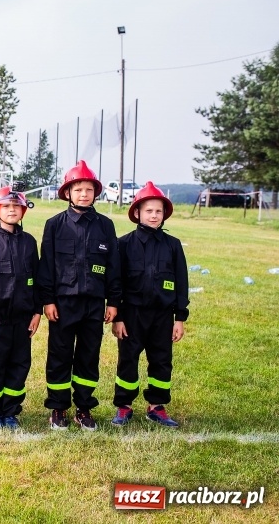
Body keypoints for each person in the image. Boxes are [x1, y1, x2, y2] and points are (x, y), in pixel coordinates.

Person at [37, 160, 121, 431]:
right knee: (59, 355)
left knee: (88, 355)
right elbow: (46, 266)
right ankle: (58, 407)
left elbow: (113, 267)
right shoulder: (54, 225)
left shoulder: (106, 226)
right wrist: (48, 300)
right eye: (78, 189)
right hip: (62, 304)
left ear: (95, 193)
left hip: (94, 304)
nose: (84, 194)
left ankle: (84, 407)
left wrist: (113, 302)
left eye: (89, 189)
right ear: (67, 193)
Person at [111, 182, 189, 428]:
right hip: (132, 315)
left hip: (162, 316)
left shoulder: (173, 245)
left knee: (162, 360)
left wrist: (179, 318)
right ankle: (124, 406)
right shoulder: (123, 244)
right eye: (148, 211)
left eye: (158, 211)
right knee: (128, 359)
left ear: (164, 214)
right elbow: (116, 282)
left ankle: (157, 406)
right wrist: (118, 317)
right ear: (137, 213)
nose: (154, 215)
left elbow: (181, 283)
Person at [0, 188, 41, 430]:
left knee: (20, 365)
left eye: (16, 206)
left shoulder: (29, 242)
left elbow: (37, 279)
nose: (12, 210)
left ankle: (11, 411)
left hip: (23, 319)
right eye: (6, 206)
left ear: (23, 210)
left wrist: (37, 312)